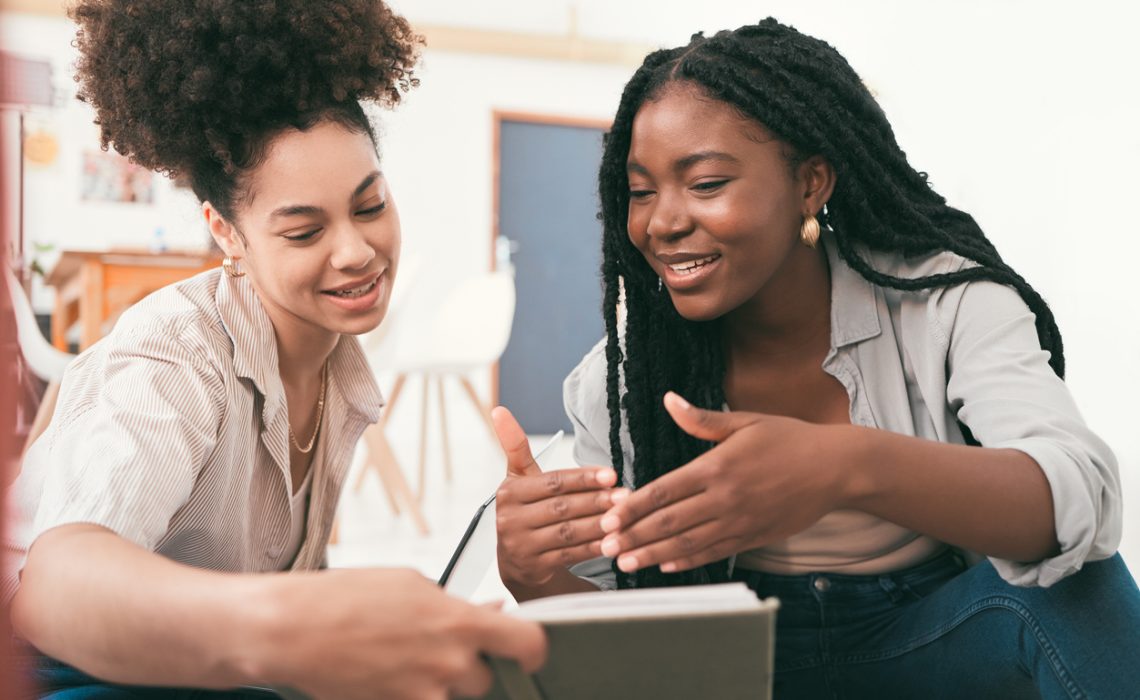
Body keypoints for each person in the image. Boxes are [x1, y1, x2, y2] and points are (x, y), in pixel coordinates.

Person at [492, 17, 1140, 698]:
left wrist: (846, 466)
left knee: (1082, 583)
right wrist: (531, 574)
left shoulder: (944, 305)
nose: (662, 222)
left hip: (931, 644)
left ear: (811, 184)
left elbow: (1081, 497)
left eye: (706, 183)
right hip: (739, 671)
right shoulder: (623, 379)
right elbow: (620, 657)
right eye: (642, 190)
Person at [3, 1, 546, 698]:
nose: (355, 252)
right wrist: (295, 628)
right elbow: (54, 589)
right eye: (302, 231)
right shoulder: (175, 355)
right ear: (227, 233)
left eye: (370, 206)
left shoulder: (338, 369)